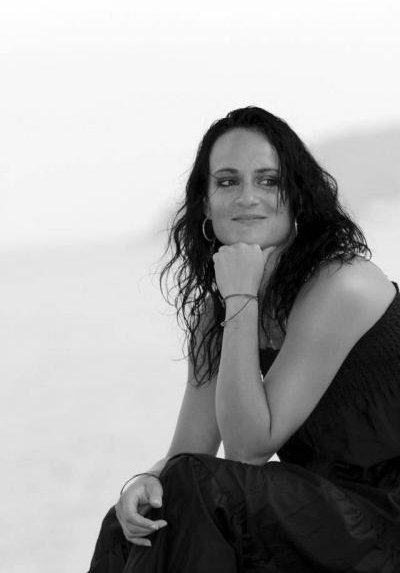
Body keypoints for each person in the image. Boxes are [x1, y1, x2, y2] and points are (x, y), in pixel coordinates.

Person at [87, 106, 400, 572]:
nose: (247, 197)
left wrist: (239, 298)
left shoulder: (341, 285)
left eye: (268, 181)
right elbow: (189, 452)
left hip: (385, 517)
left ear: (297, 197)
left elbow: (248, 450)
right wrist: (145, 480)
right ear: (206, 203)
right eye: (228, 181)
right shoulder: (219, 312)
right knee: (135, 517)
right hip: (320, 511)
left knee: (196, 488)